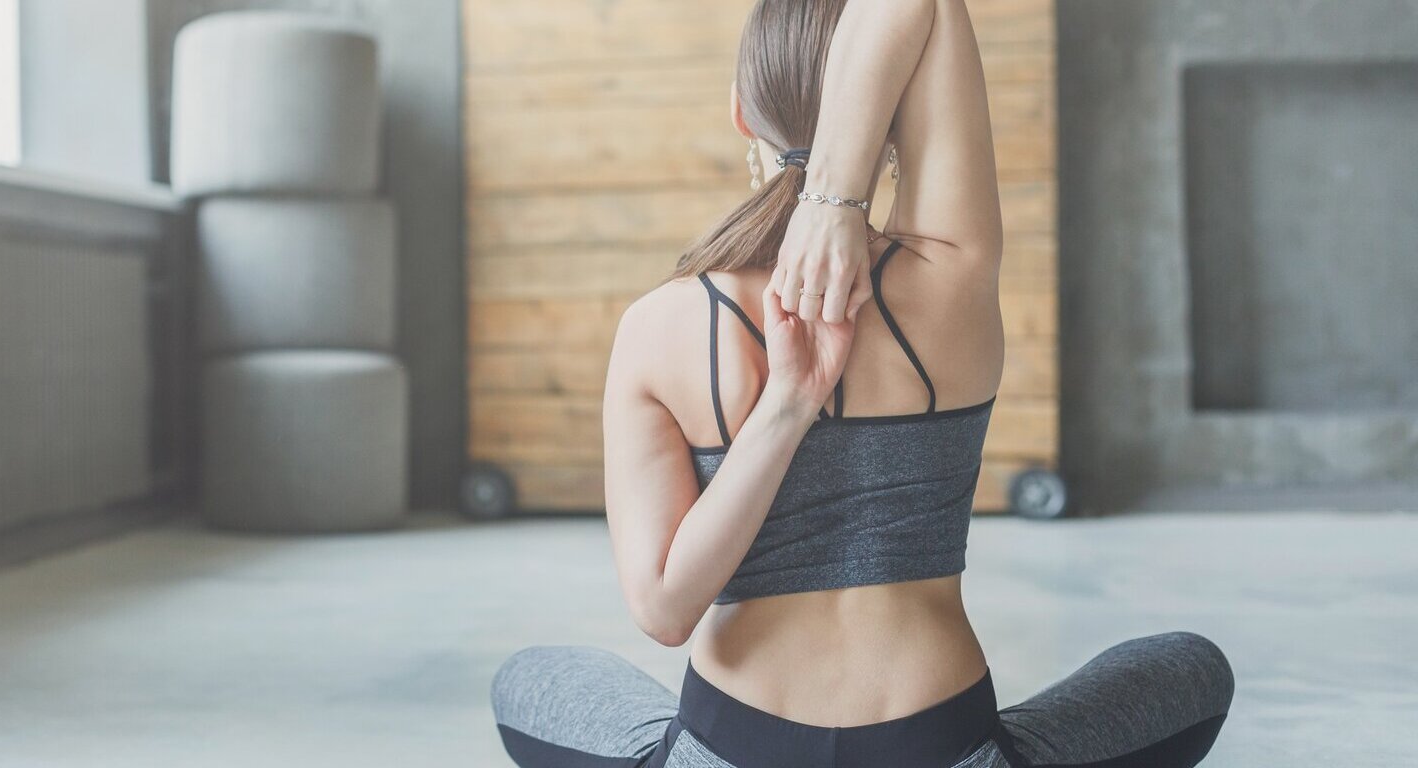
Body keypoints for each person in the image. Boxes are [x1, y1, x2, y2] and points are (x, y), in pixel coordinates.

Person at [488, 0, 1234, 766]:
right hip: (943, 747)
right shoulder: (952, 281)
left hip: (731, 747)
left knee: (530, 678)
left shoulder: (658, 327)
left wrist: (786, 405)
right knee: (1190, 667)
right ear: (897, 114)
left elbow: (665, 610)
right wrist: (836, 201)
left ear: (741, 114)